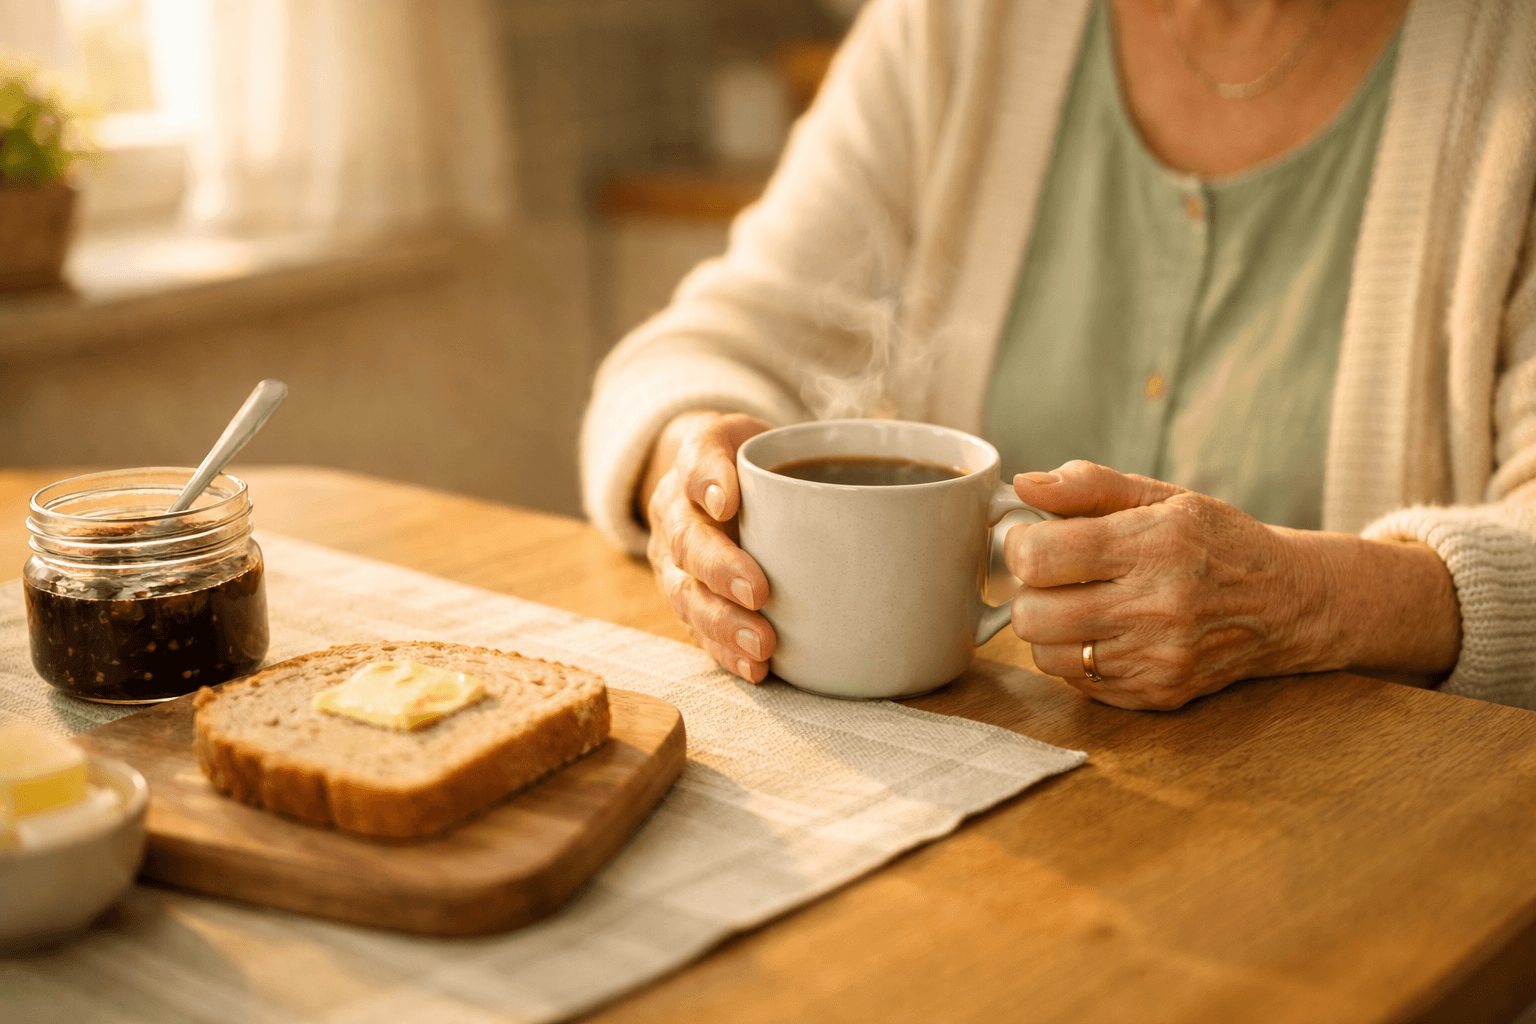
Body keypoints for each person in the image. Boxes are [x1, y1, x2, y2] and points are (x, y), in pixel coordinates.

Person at [579, 0, 1536, 711]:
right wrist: (686, 474)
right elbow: (694, 349)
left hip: (1390, 842)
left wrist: (1317, 601)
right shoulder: (959, 25)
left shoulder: (1508, 62)